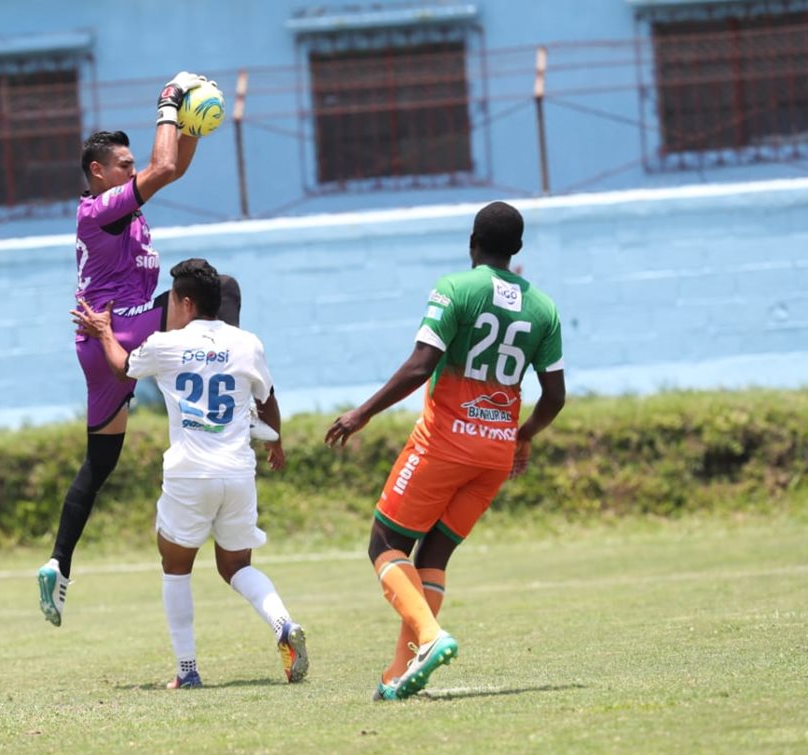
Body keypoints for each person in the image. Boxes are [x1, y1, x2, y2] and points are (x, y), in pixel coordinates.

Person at [37, 72, 274, 627]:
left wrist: (189, 120)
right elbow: (164, 168)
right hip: (120, 330)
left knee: (100, 462)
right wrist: (168, 102)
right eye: (123, 164)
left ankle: (57, 564)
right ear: (97, 173)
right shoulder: (101, 210)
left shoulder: (119, 208)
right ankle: (249, 405)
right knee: (226, 289)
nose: (132, 169)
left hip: (98, 342)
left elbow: (175, 163)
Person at [325, 201, 565, 701]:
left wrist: (362, 412)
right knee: (434, 553)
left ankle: (430, 638)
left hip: (445, 444)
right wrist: (522, 437)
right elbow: (555, 395)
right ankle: (397, 674)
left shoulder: (456, 288)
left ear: (472, 242)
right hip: (496, 454)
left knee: (384, 545)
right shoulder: (544, 308)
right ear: (517, 248)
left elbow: (420, 365)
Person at [73, 258, 308, 688]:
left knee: (175, 564)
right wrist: (276, 440)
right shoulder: (248, 343)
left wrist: (104, 331)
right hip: (237, 472)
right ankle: (284, 625)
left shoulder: (166, 344)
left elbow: (122, 367)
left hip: (189, 474)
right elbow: (268, 398)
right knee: (236, 565)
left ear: (184, 302)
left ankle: (187, 671)